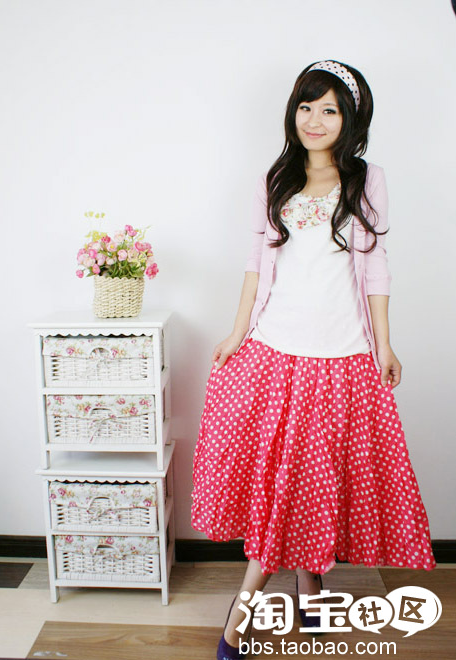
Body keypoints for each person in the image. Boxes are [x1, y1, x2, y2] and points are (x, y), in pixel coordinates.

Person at [190, 59, 437, 660]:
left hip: (341, 354)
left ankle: (287, 599)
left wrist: (384, 344)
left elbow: (375, 268)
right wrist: (237, 332)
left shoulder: (367, 180)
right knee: (289, 481)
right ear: (292, 113)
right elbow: (256, 265)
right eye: (306, 106)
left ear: (351, 119)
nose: (315, 120)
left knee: (310, 478)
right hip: (276, 350)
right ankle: (296, 598)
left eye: (329, 109)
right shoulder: (275, 178)